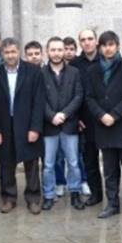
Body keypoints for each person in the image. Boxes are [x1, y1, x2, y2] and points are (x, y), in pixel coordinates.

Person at [86, 31, 122, 221]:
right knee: (109, 170)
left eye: (111, 44)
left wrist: (115, 114)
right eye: (104, 45)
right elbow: (89, 97)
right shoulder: (92, 70)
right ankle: (112, 204)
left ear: (117, 45)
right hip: (103, 126)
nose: (107, 48)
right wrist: (101, 115)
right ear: (100, 47)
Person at [0, 38, 44, 214]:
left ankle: (33, 198)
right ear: (2, 54)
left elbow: (39, 102)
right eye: (7, 52)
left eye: (13, 51)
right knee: (6, 162)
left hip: (27, 124)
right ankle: (8, 197)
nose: (10, 55)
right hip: (5, 124)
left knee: (32, 163)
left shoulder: (33, 71)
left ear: (19, 52)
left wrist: (35, 128)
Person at [40, 37, 84, 211]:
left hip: (69, 124)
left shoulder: (74, 72)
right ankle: (49, 195)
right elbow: (39, 99)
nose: (57, 53)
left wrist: (64, 114)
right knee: (48, 164)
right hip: (49, 126)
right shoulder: (41, 73)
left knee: (73, 162)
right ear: (47, 52)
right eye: (53, 50)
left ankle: (75, 192)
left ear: (64, 51)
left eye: (60, 50)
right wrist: (51, 116)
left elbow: (78, 96)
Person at [70, 28, 103, 206]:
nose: (87, 42)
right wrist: (76, 118)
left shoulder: (105, 60)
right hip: (85, 120)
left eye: (90, 39)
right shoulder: (74, 64)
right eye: (83, 39)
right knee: (89, 161)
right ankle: (96, 195)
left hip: (105, 119)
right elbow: (72, 93)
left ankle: (113, 196)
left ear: (96, 41)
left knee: (111, 162)